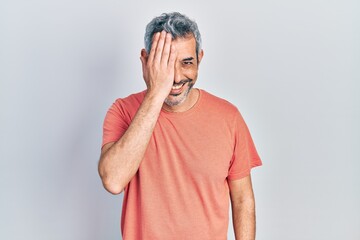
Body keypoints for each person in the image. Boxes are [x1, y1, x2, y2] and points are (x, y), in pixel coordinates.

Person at [98, 12, 262, 240]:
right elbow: (113, 181)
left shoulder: (229, 117)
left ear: (200, 59)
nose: (175, 77)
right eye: (164, 64)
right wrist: (156, 93)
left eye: (186, 63)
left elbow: (243, 199)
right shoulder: (123, 111)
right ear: (145, 61)